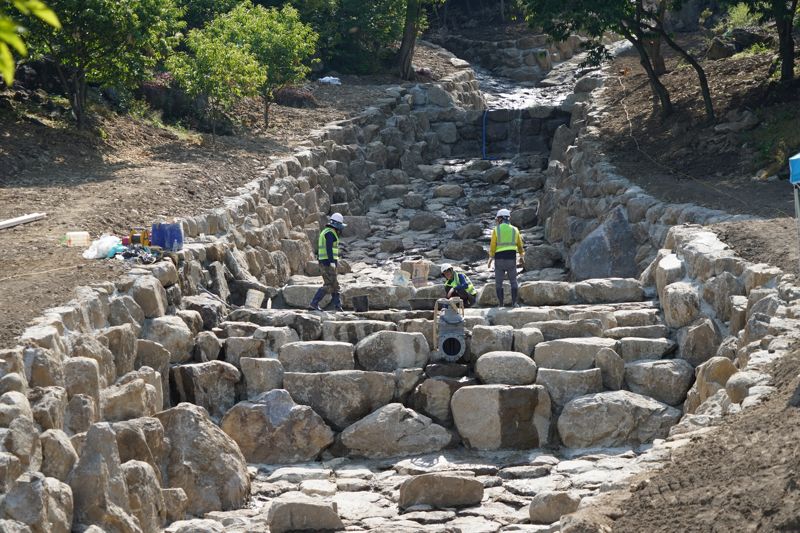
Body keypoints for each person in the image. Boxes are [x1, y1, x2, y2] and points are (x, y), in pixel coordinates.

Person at [309, 213, 346, 312]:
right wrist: (332, 262)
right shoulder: (330, 233)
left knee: (334, 285)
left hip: (324, 262)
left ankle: (338, 307)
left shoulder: (325, 231)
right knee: (330, 285)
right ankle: (314, 303)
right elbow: (329, 248)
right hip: (327, 263)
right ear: (337, 225)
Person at [487, 208, 524, 307]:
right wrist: (521, 255)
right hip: (511, 258)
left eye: (498, 219)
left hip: (499, 259)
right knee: (513, 281)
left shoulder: (496, 230)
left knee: (498, 283)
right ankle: (514, 303)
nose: (497, 221)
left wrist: (490, 258)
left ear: (501, 218)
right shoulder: (515, 229)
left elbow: (493, 245)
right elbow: (520, 245)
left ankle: (501, 304)